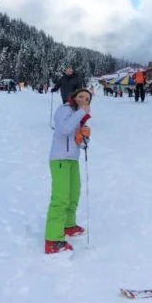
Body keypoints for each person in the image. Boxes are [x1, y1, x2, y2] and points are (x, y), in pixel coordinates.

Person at [45, 88, 92, 255]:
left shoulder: (77, 116)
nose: (84, 100)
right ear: (73, 97)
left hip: (72, 159)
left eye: (87, 98)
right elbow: (63, 129)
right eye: (81, 96)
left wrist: (83, 138)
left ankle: (68, 225)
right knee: (60, 198)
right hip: (59, 159)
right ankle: (52, 239)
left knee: (73, 194)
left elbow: (75, 139)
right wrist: (81, 113)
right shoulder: (64, 109)